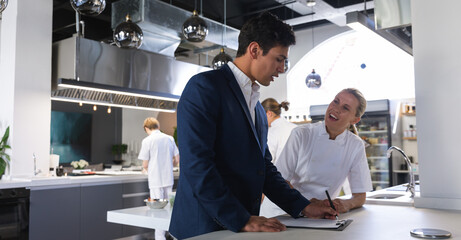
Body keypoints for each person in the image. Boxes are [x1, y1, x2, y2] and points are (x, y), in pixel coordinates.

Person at [169, 12, 337, 240]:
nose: (282, 68)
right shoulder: (205, 87)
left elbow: (264, 168)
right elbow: (197, 166)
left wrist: (303, 207)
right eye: (279, 59)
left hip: (241, 228)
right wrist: (242, 219)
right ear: (255, 50)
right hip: (204, 229)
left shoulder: (257, 107)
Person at [260, 88, 373, 218]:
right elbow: (281, 180)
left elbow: (360, 196)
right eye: (335, 101)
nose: (336, 109)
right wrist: (307, 205)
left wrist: (346, 204)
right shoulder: (302, 134)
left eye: (345, 108)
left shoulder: (355, 145)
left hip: (319, 216)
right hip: (282, 212)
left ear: (355, 120)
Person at [138, 117, 179, 240]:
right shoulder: (170, 138)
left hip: (155, 179)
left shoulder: (147, 140)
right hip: (168, 177)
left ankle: (160, 237)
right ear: (158, 126)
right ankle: (173, 234)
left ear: (146, 128)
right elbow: (177, 160)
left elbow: (145, 164)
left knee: (157, 211)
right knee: (170, 209)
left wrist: (145, 168)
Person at [261, 98, 296, 164]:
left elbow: (269, 160)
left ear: (269, 113)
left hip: (280, 172)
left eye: (261, 115)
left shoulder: (270, 133)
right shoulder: (295, 127)